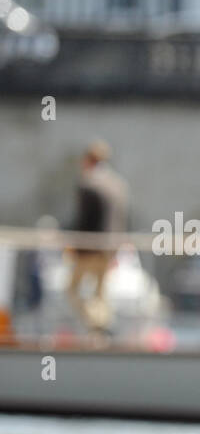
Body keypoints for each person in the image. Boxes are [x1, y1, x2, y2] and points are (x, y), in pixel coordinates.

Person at [66, 139, 129, 335]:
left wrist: (73, 246)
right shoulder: (118, 184)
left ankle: (97, 324)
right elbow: (122, 219)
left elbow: (84, 220)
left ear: (88, 160)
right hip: (109, 249)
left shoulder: (88, 183)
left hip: (89, 247)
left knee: (73, 290)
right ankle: (101, 330)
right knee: (100, 294)